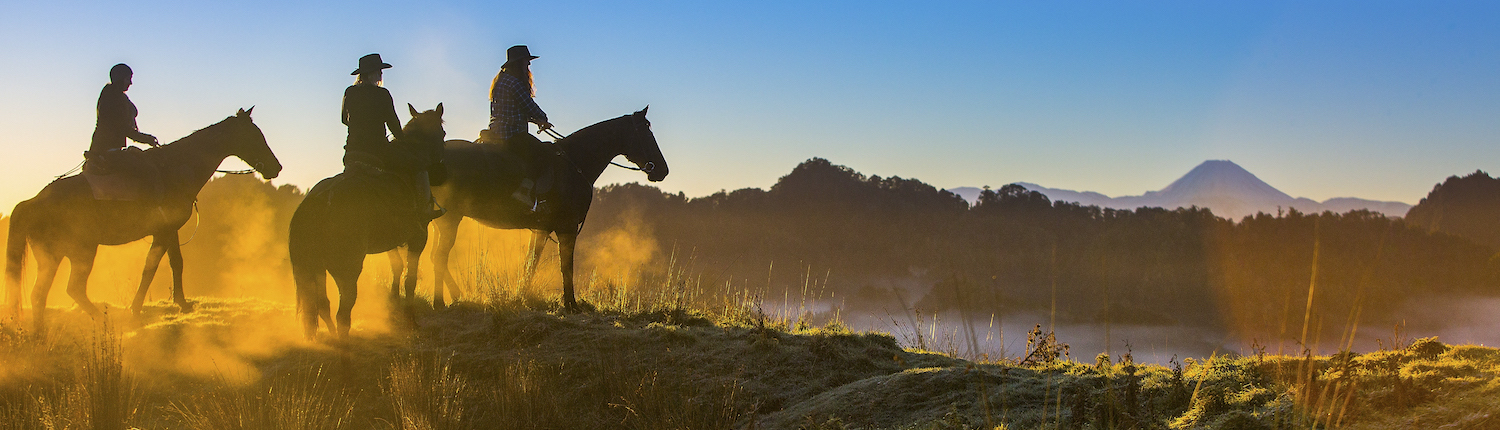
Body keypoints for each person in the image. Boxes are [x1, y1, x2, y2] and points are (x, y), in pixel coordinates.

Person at [341, 53, 441, 219]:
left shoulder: (349, 92)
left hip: (351, 152)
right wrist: (402, 140)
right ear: (372, 73)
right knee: (420, 167)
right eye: (379, 71)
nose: (381, 74)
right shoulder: (382, 94)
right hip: (377, 152)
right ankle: (425, 209)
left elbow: (344, 120)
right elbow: (394, 126)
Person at [485, 45, 555, 213]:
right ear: (518, 63)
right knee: (543, 154)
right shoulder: (514, 83)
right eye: (526, 62)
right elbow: (528, 105)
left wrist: (533, 118)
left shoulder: (501, 81)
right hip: (511, 134)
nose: (528, 67)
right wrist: (542, 118)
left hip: (496, 131)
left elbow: (514, 109)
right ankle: (524, 191)